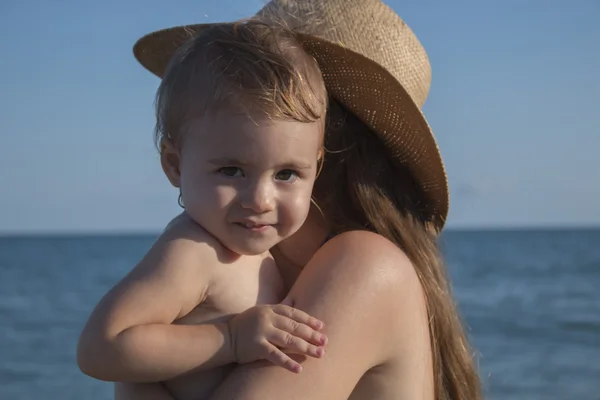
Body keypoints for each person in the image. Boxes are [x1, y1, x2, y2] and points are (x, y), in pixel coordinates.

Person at [117, 0, 484, 399]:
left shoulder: (365, 267)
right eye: (231, 167)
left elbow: (111, 354)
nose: (258, 196)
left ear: (326, 149)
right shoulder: (256, 273)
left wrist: (136, 378)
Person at [76, 19, 334, 400]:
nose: (260, 199)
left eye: (287, 174)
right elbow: (100, 347)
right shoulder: (194, 252)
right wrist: (229, 339)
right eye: (231, 170)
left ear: (318, 167)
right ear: (175, 165)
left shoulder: (262, 252)